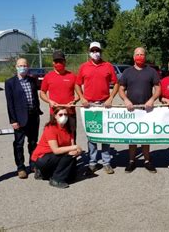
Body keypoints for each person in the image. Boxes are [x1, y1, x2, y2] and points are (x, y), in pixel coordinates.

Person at [75, 41, 119, 174]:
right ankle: (92, 162)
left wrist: (111, 98)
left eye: (97, 50)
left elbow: (116, 84)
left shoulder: (108, 66)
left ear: (101, 51)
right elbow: (77, 84)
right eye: (93, 51)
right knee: (92, 135)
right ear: (89, 52)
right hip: (89, 105)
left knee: (105, 135)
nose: (95, 53)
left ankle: (106, 162)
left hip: (104, 104)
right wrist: (82, 98)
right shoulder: (84, 67)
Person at [119, 47, 161, 173]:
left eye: (142, 54)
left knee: (145, 136)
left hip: (146, 109)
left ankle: (147, 161)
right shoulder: (127, 72)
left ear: (145, 56)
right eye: (137, 54)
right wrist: (126, 100)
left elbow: (158, 88)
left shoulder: (151, 71)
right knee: (132, 136)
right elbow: (121, 89)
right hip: (131, 110)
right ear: (133, 57)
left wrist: (152, 99)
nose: (139, 56)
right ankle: (131, 161)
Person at [5, 58, 42, 179]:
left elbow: (35, 97)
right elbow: (10, 103)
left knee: (32, 143)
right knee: (19, 144)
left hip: (33, 117)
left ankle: (33, 164)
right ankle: (20, 167)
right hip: (20, 119)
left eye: (25, 65)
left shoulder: (32, 80)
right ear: (16, 67)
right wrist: (13, 120)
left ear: (28, 67)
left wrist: (37, 111)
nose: (23, 67)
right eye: (20, 65)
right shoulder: (10, 82)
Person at [31, 107, 82, 189]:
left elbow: (72, 147)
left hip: (56, 156)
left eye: (65, 114)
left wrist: (77, 151)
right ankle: (56, 179)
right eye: (60, 114)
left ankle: (45, 173)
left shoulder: (69, 128)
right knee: (68, 155)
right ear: (55, 116)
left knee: (72, 176)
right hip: (43, 157)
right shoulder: (50, 128)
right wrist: (74, 147)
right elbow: (56, 150)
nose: (63, 117)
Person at [40, 51, 78, 140]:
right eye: (56, 62)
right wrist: (49, 101)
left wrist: (74, 101)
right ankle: (58, 153)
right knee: (56, 136)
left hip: (70, 112)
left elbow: (80, 94)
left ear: (65, 62)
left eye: (61, 61)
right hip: (55, 113)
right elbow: (42, 93)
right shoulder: (48, 76)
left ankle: (71, 153)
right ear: (53, 63)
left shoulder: (72, 76)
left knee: (71, 135)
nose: (59, 64)